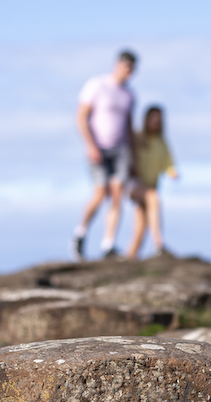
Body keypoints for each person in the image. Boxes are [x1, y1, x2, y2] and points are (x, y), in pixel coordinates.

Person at [71, 50, 138, 261]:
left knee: (118, 195)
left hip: (121, 149)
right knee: (100, 193)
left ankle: (108, 244)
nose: (128, 72)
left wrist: (134, 155)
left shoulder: (129, 95)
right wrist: (90, 145)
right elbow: (81, 117)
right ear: (117, 65)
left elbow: (129, 127)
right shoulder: (97, 85)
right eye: (126, 67)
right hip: (98, 147)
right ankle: (80, 233)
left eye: (132, 69)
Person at [125, 106, 178, 260]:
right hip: (134, 185)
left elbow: (168, 164)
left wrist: (172, 172)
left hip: (151, 185)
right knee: (153, 197)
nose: (156, 121)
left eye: (159, 119)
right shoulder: (138, 138)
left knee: (141, 229)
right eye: (153, 118)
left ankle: (130, 259)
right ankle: (159, 244)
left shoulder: (162, 142)